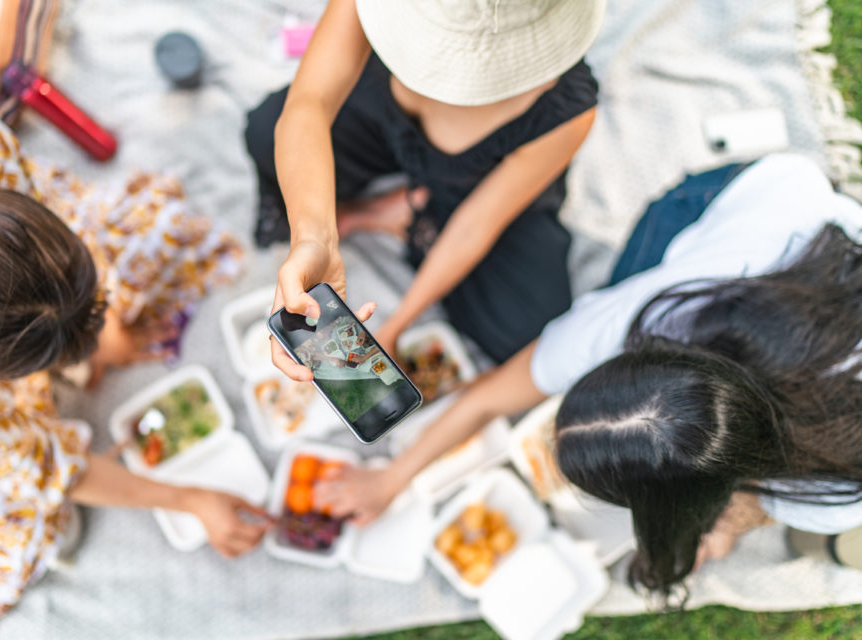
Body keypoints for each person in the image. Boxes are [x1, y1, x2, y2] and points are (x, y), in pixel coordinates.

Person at [315, 153, 862, 594]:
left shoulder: (837, 492)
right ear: (639, 355)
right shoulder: (649, 316)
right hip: (764, 200)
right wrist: (392, 476)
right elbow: (490, 397)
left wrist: (726, 524)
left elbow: (760, 501)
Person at [0, 102, 269, 640]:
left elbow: (48, 211)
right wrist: (186, 499)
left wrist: (102, 327)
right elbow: (40, 463)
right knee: (4, 524)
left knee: (147, 246)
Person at [245, 0, 604, 370]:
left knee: (528, 327)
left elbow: (474, 225)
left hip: (475, 181)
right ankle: (394, 209)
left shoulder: (565, 107)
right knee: (269, 135)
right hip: (381, 121)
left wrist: (396, 326)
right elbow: (310, 102)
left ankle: (406, 209)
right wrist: (315, 237)